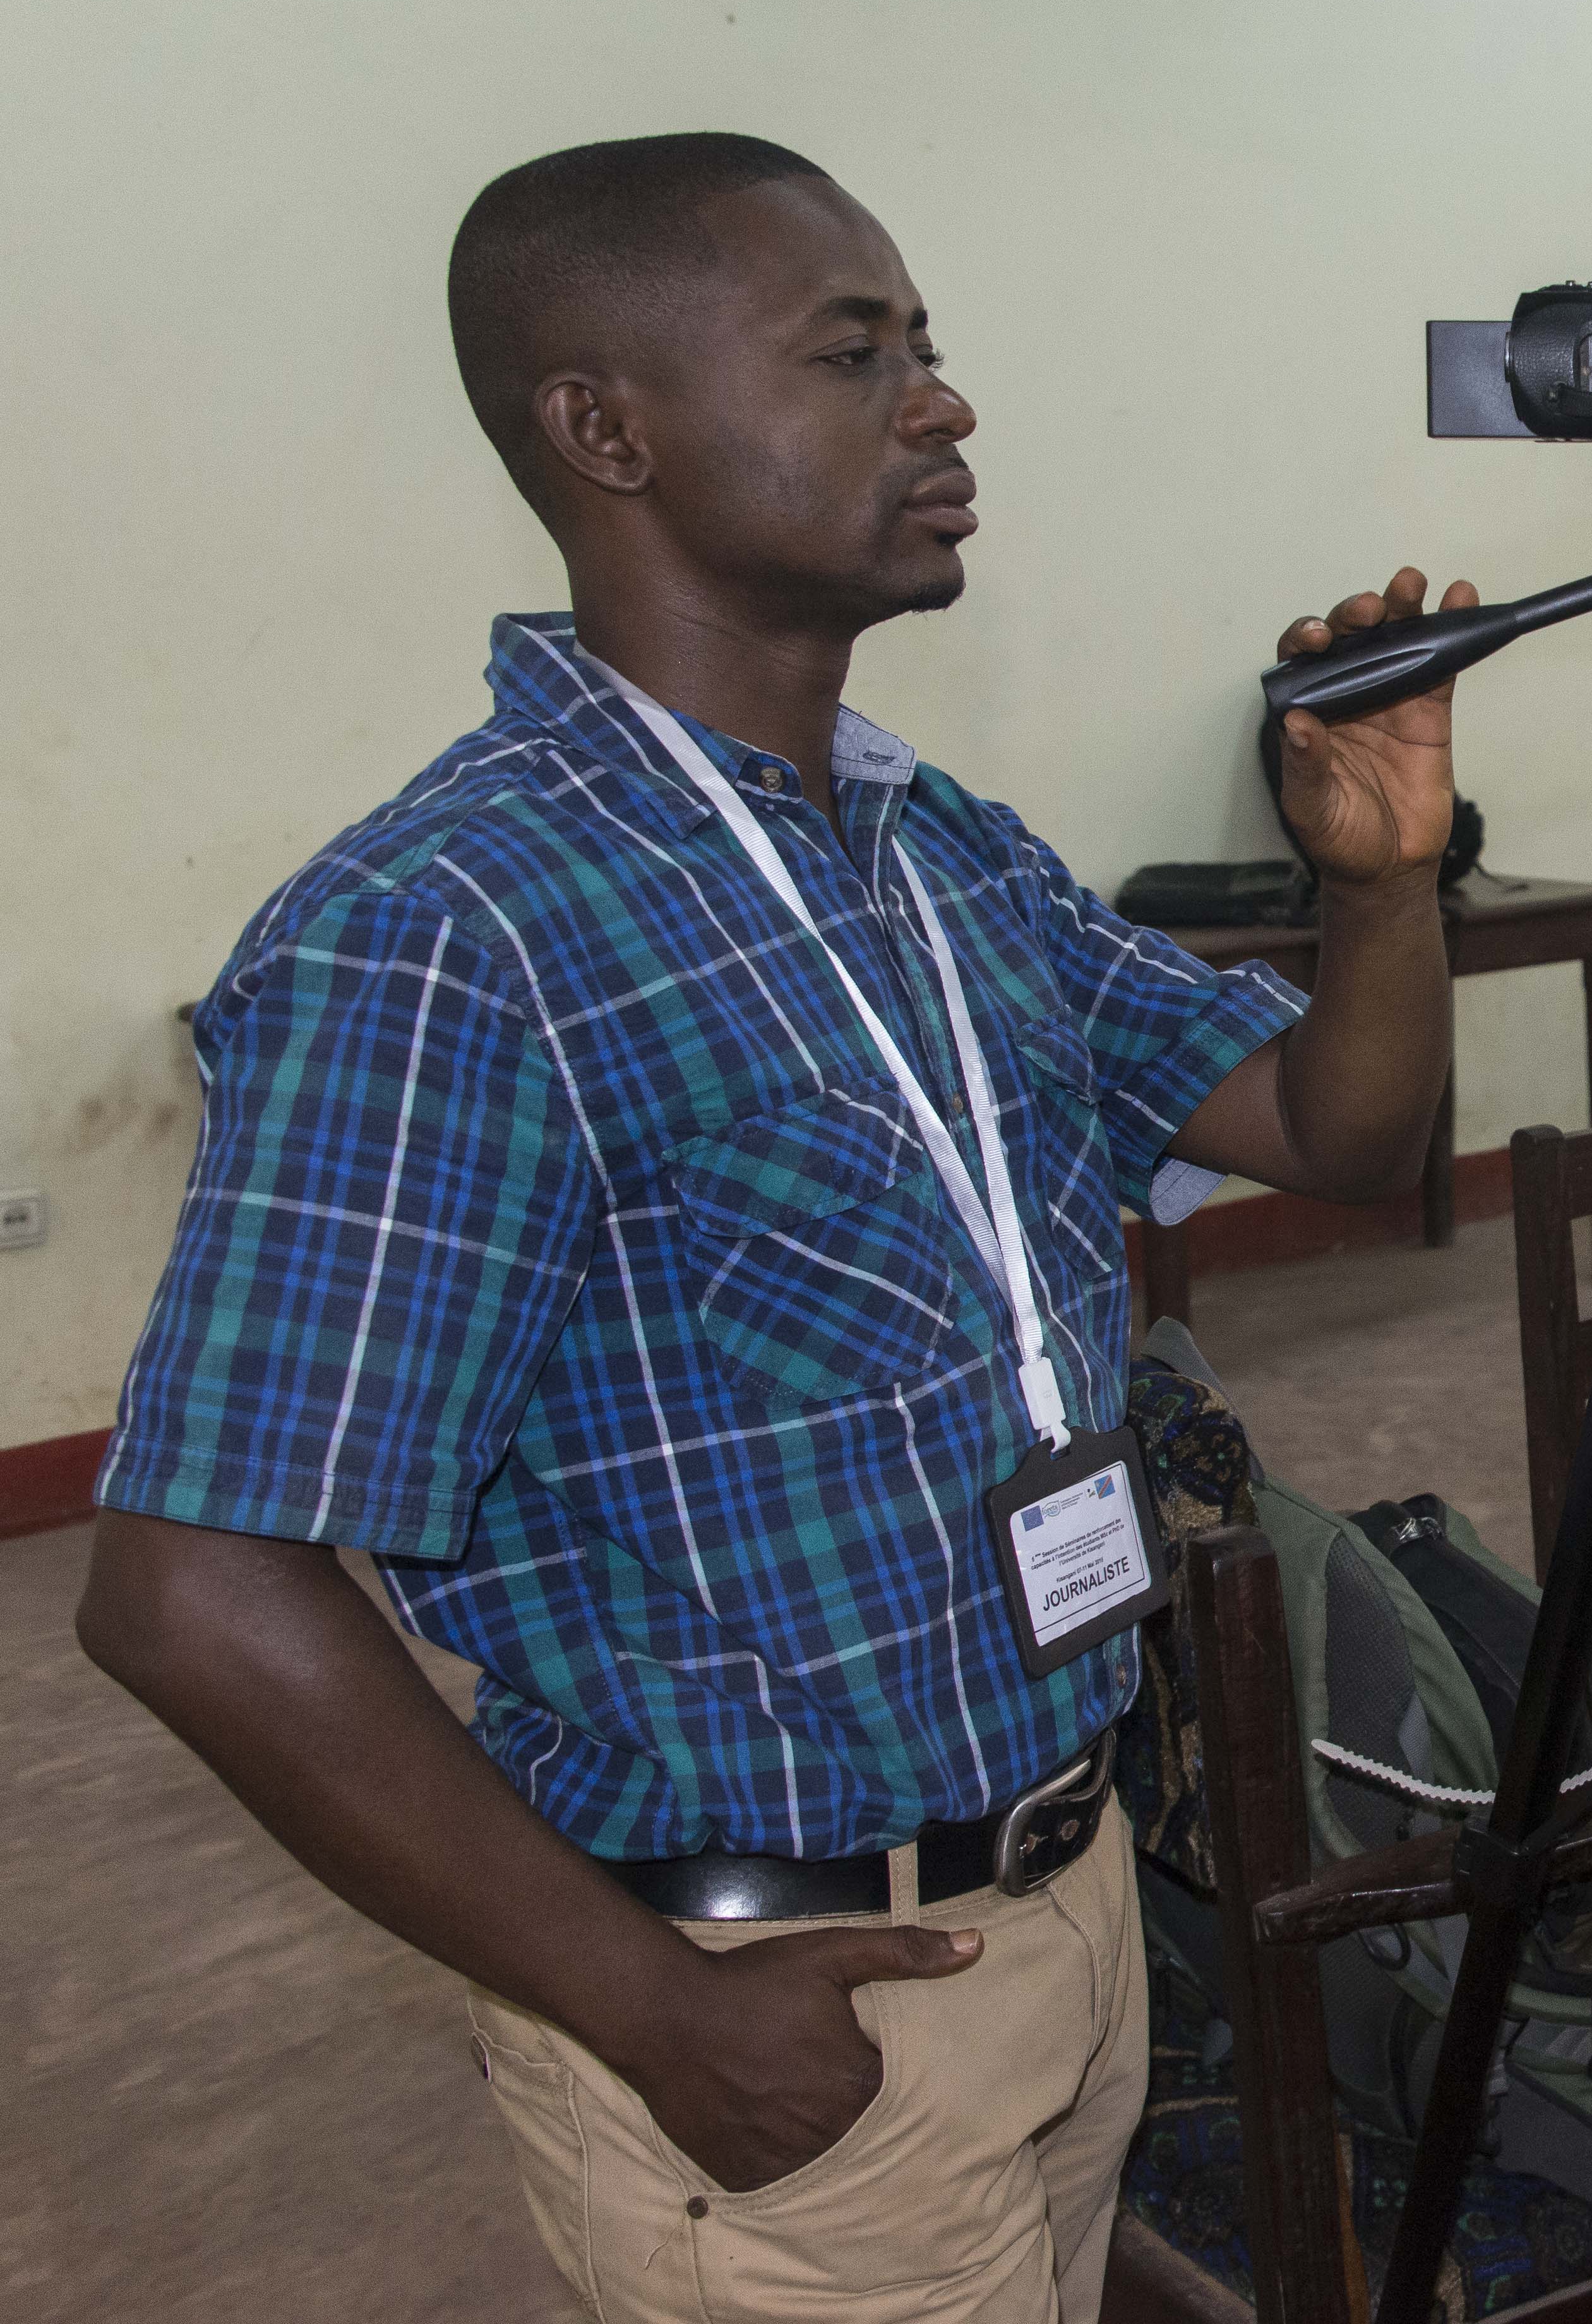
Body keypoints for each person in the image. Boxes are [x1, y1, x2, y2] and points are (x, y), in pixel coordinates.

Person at [71, 135, 1464, 2322]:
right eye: (855, 351)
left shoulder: (936, 850)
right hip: (765, 1984)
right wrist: (647, 2007)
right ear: (604, 430)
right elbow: (191, 1589)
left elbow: (1336, 1127)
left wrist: (1386, 874)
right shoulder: (450, 931)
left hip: (1068, 1888)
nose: (942, 403)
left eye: (927, 344)